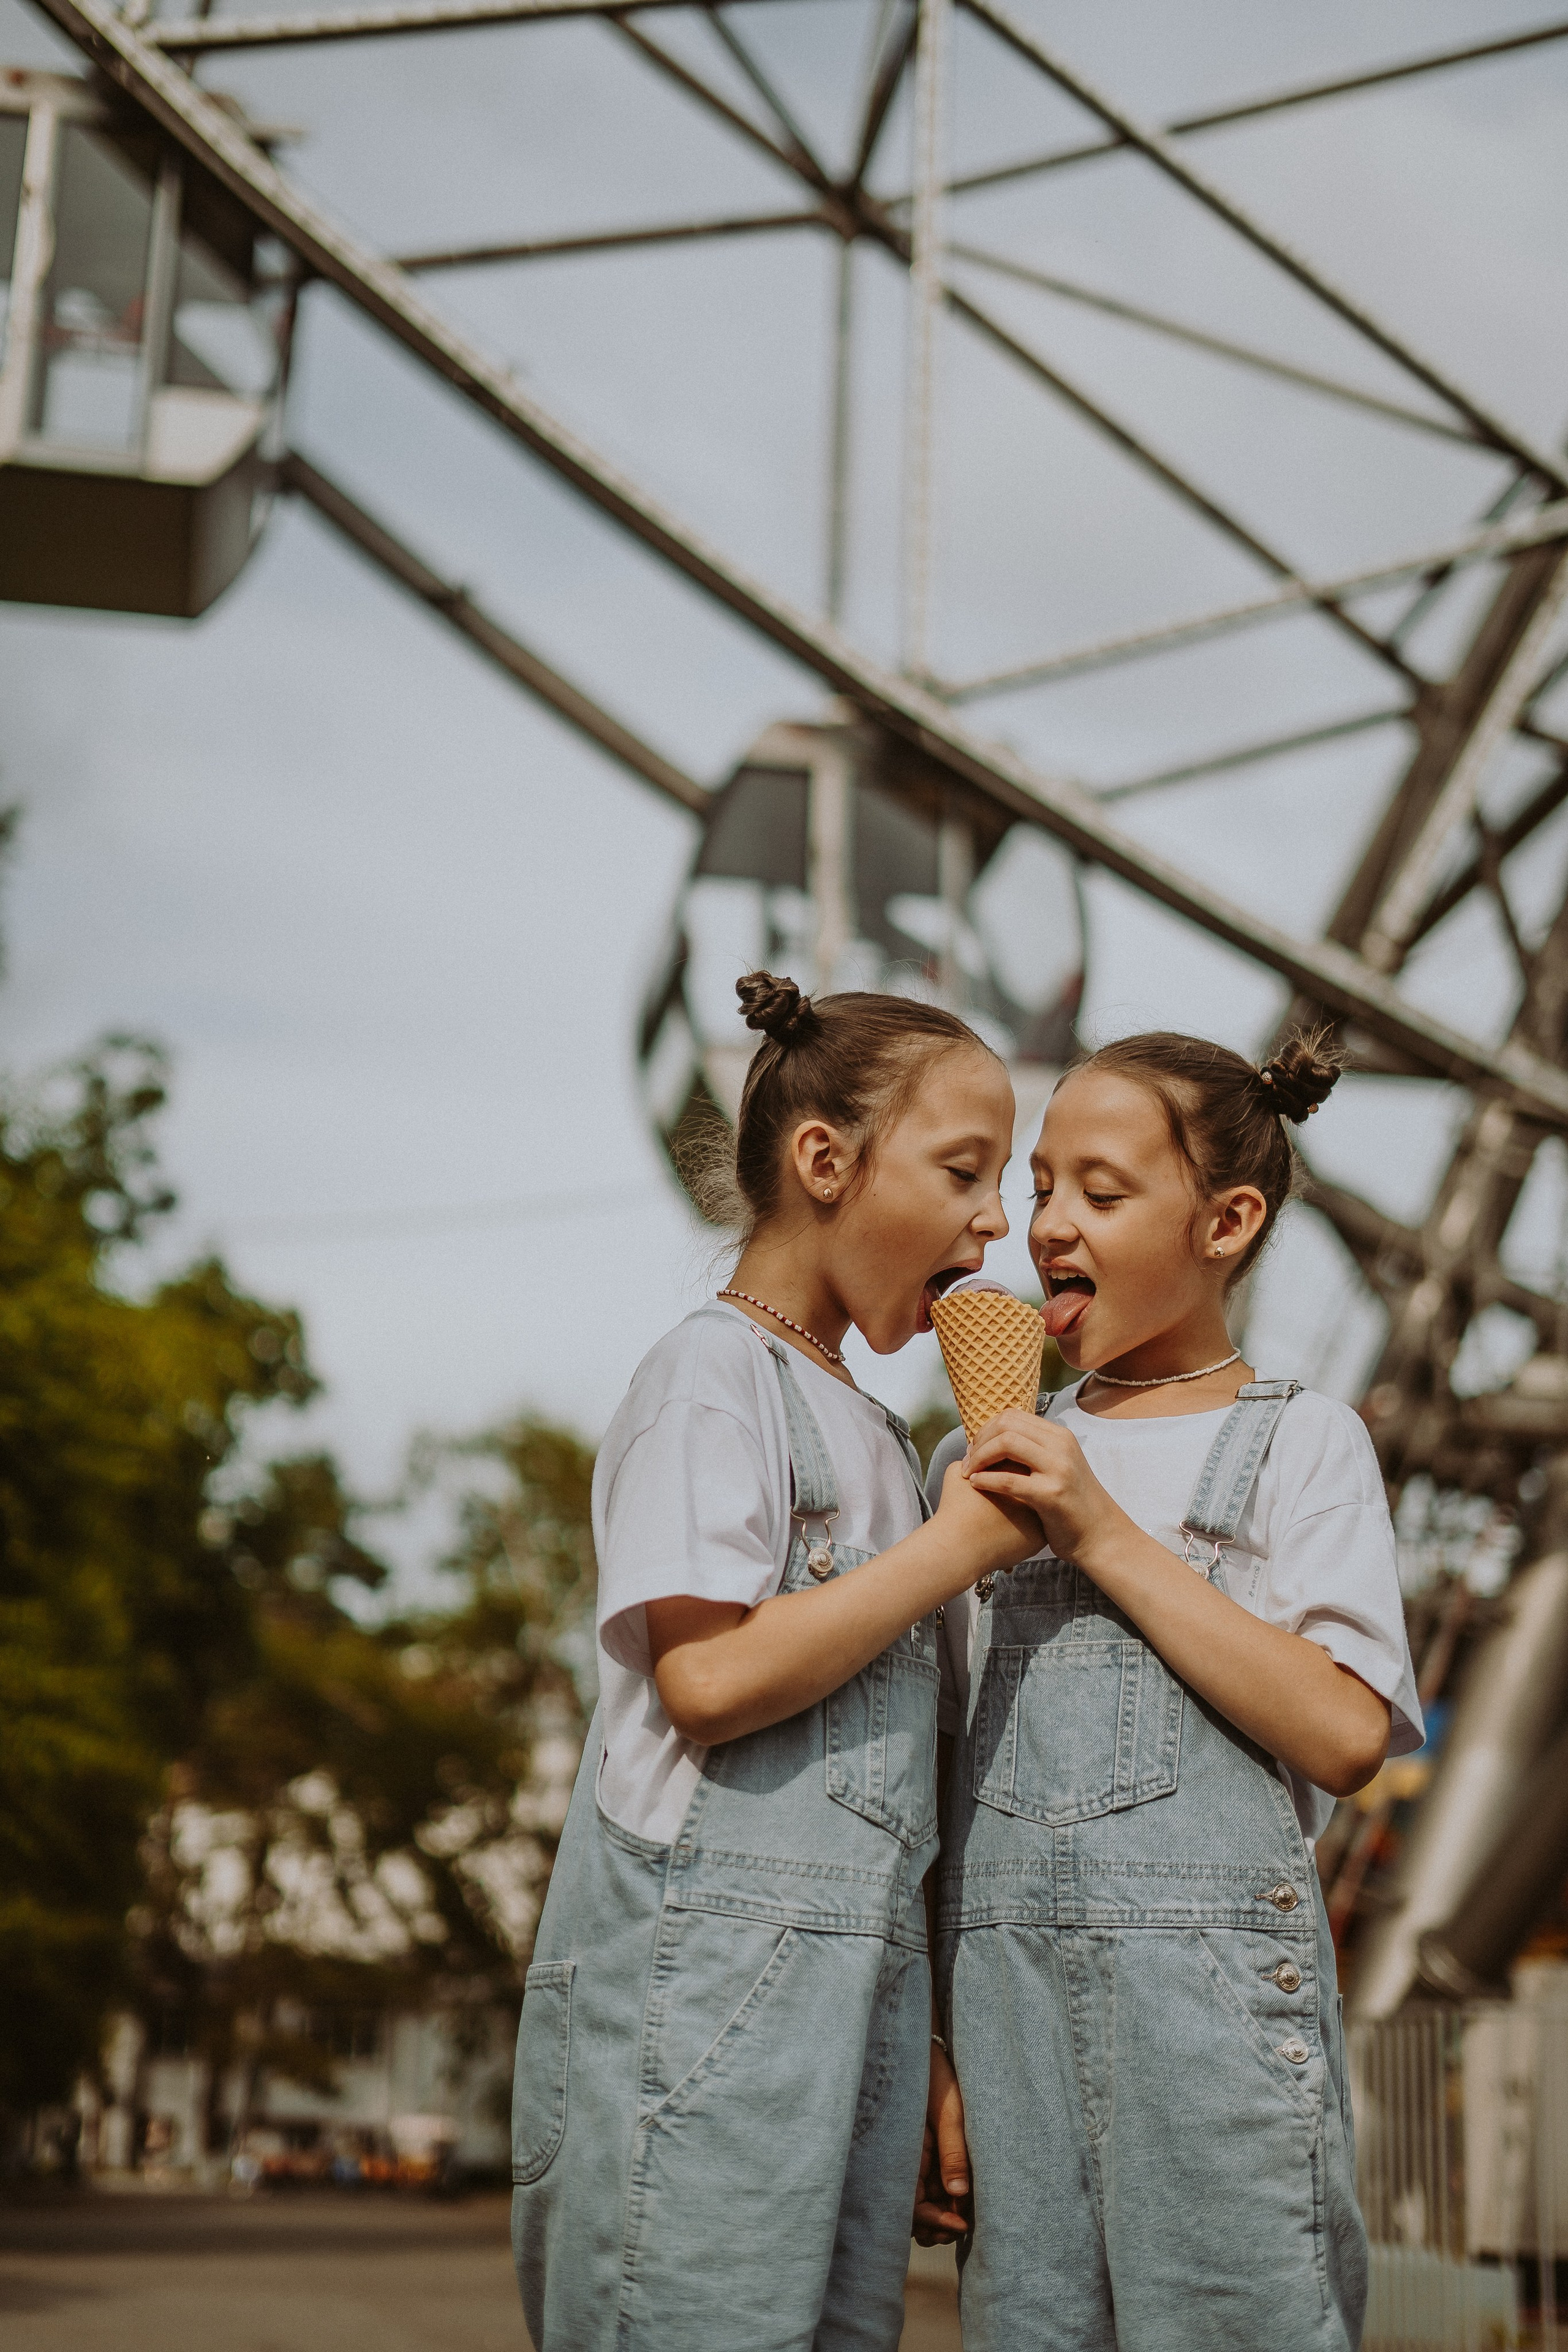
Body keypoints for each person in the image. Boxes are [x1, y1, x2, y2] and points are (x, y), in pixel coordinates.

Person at [511, 970, 1040, 2352]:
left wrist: (920, 2043)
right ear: (824, 1161)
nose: (998, 1223)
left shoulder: (873, 1431)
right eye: (965, 1171)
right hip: (700, 2002)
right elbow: (709, 1680)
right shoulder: (708, 1376)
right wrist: (956, 1548)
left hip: (853, 2006)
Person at [921, 1030, 1422, 2352]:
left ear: (1226, 1221)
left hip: (1213, 2032)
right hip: (1003, 2009)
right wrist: (932, 2049)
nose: (1046, 1227)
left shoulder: (1300, 1439)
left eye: (1100, 1191)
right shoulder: (967, 1466)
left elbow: (1341, 1729)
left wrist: (1102, 1537)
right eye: (1037, 1188)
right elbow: (933, 1777)